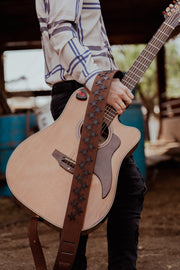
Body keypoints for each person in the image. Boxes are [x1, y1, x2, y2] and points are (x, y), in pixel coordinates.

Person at [35, 1, 146, 269]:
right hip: (82, 91)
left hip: (86, 88)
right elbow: (61, 30)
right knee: (109, 193)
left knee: (83, 196)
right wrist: (98, 81)